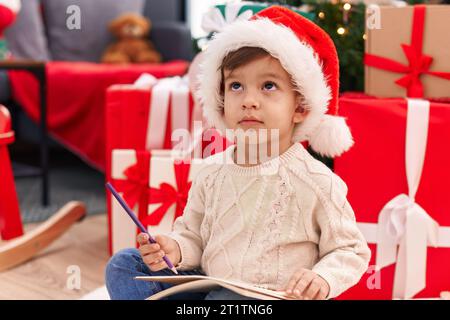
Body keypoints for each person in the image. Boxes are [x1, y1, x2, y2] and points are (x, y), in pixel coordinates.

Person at [105, 5, 371, 300]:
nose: (249, 100)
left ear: (300, 108)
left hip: (269, 297)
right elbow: (194, 236)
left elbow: (351, 249)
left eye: (268, 86)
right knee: (125, 265)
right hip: (211, 284)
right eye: (236, 86)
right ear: (220, 100)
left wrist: (322, 276)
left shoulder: (318, 181)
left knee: (227, 299)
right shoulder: (210, 170)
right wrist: (174, 248)